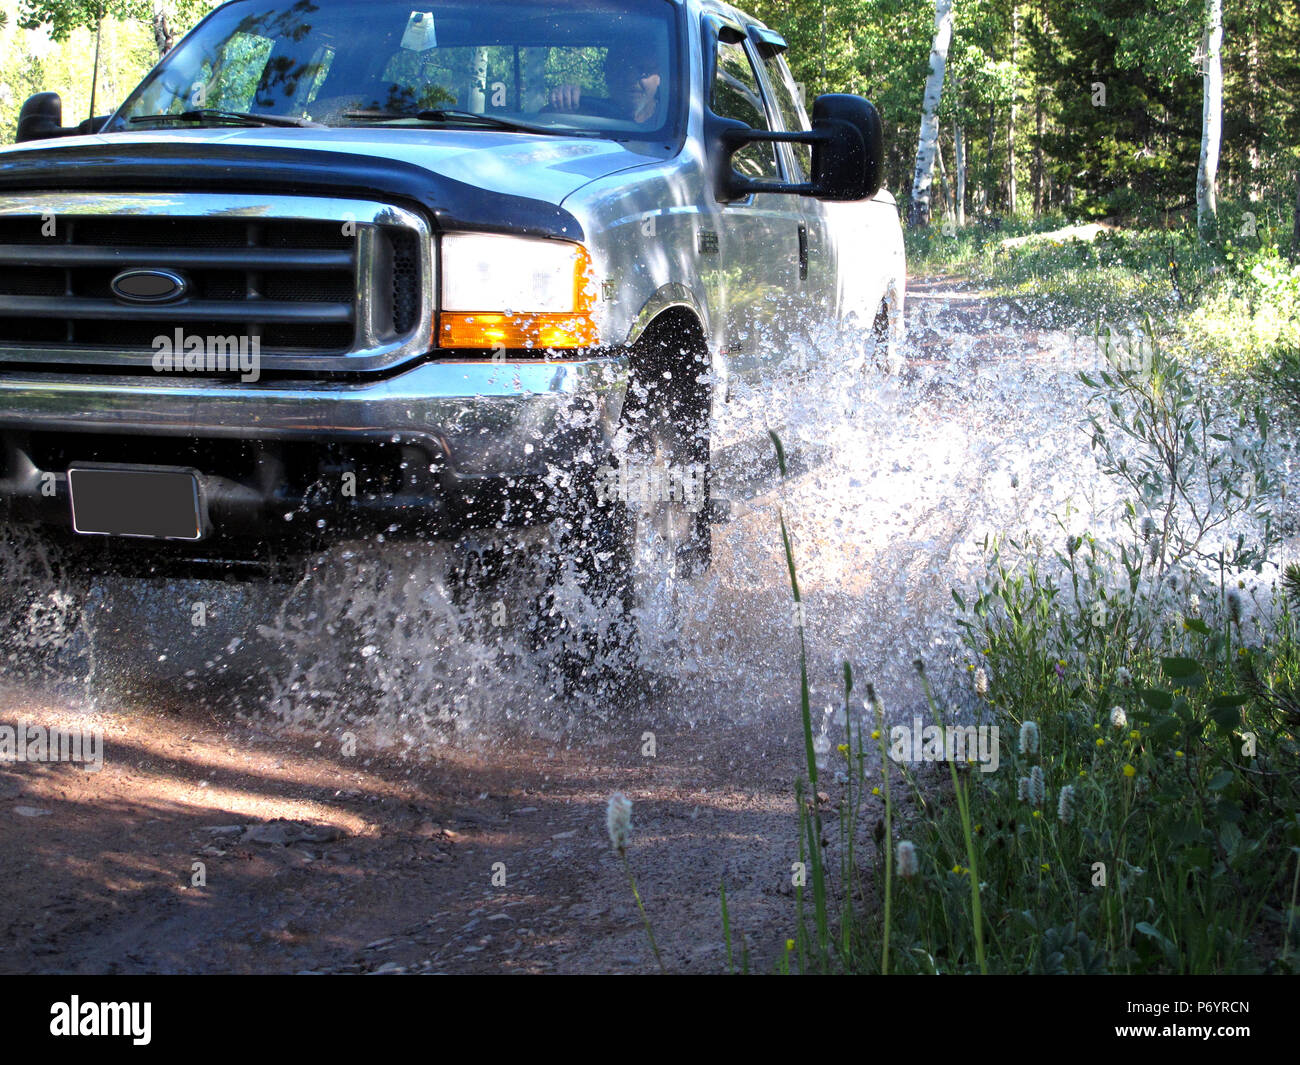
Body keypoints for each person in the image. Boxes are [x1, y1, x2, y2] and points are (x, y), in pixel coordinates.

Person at [548, 43, 662, 124]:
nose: (631, 79)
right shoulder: (587, 113)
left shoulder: (674, 124)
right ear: (607, 76)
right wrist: (564, 102)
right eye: (621, 70)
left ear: (659, 77)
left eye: (644, 71)